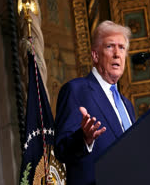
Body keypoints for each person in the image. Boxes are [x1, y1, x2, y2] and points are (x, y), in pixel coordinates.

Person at [54, 20, 136, 185]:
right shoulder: (76, 90)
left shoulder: (127, 105)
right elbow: (61, 149)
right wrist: (84, 139)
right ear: (95, 55)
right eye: (110, 46)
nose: (117, 54)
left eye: (122, 48)